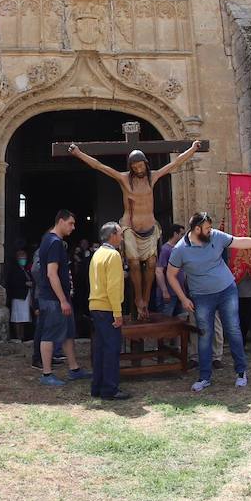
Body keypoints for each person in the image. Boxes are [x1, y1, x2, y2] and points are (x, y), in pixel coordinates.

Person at [68, 139, 203, 320]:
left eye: (141, 166)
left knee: (152, 265)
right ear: (131, 167)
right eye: (135, 167)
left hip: (149, 228)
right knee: (133, 262)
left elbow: (175, 163)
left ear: (145, 165)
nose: (139, 169)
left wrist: (193, 149)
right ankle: (138, 298)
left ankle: (145, 299)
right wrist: (78, 153)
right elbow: (100, 166)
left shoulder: (152, 177)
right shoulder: (124, 179)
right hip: (130, 228)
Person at [166, 212, 251, 391]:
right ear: (197, 229)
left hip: (226, 290)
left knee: (233, 330)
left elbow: (240, 241)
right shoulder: (180, 249)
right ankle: (204, 377)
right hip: (202, 297)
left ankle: (241, 372)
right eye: (207, 228)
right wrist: (183, 298)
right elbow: (170, 275)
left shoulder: (216, 237)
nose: (211, 231)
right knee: (205, 335)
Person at [36, 209, 89, 386]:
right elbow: (52, 274)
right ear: (60, 221)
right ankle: (46, 374)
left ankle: (74, 369)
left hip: (57, 297)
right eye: (70, 223)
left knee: (68, 334)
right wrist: (63, 300)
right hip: (53, 299)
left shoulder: (51, 240)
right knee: (49, 335)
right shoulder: (54, 243)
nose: (73, 227)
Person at [89, 222, 130, 401]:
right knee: (112, 350)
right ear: (113, 235)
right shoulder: (113, 255)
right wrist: (117, 312)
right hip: (107, 308)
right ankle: (110, 389)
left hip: (96, 305)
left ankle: (97, 386)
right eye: (120, 234)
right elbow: (113, 287)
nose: (121, 238)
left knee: (100, 350)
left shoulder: (97, 254)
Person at [155, 224, 186, 316]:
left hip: (179, 292)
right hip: (169, 293)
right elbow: (159, 271)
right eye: (181, 234)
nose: (183, 237)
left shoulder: (180, 249)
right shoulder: (165, 250)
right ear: (175, 234)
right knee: (166, 321)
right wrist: (165, 291)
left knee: (181, 320)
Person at [4, 247, 33, 342]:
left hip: (25, 295)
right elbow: (12, 282)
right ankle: (18, 336)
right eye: (21, 258)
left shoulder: (25, 269)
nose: (23, 260)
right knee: (17, 317)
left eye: (24, 257)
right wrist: (25, 284)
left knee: (24, 317)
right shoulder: (14, 269)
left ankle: (23, 336)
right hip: (18, 296)